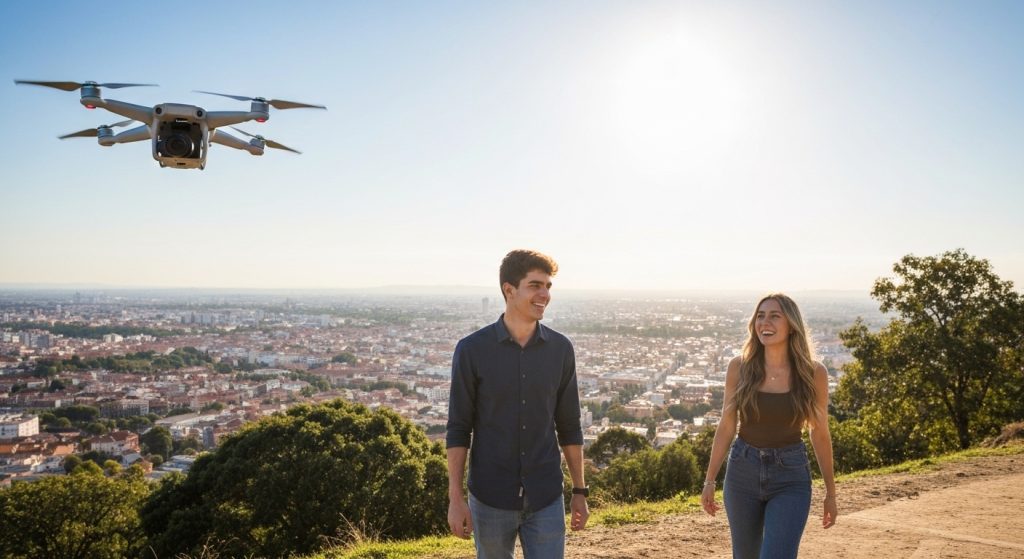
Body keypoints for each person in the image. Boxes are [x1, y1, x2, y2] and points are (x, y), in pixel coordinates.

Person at [446, 249, 589, 558]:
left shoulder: (561, 350)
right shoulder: (472, 350)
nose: (545, 295)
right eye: (535, 285)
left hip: (546, 495)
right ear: (508, 290)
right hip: (490, 496)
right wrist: (455, 499)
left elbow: (569, 426)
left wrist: (580, 490)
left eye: (548, 286)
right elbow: (458, 428)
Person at [701, 293, 837, 558]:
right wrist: (709, 480)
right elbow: (727, 426)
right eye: (760, 316)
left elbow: (819, 433)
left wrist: (830, 493)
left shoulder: (814, 373)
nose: (765, 322)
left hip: (791, 476)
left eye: (775, 316)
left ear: (792, 325)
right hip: (742, 471)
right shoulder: (739, 368)